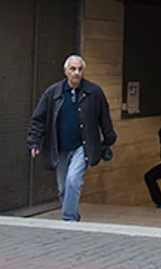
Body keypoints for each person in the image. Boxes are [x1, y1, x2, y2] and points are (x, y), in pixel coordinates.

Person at [26, 54, 116, 222]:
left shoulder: (94, 92)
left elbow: (104, 118)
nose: (76, 73)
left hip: (83, 146)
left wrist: (109, 140)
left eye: (80, 69)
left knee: (73, 180)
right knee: (62, 188)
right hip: (59, 147)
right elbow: (38, 118)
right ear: (65, 71)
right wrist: (34, 141)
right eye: (73, 69)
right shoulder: (53, 93)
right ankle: (73, 215)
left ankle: (69, 220)